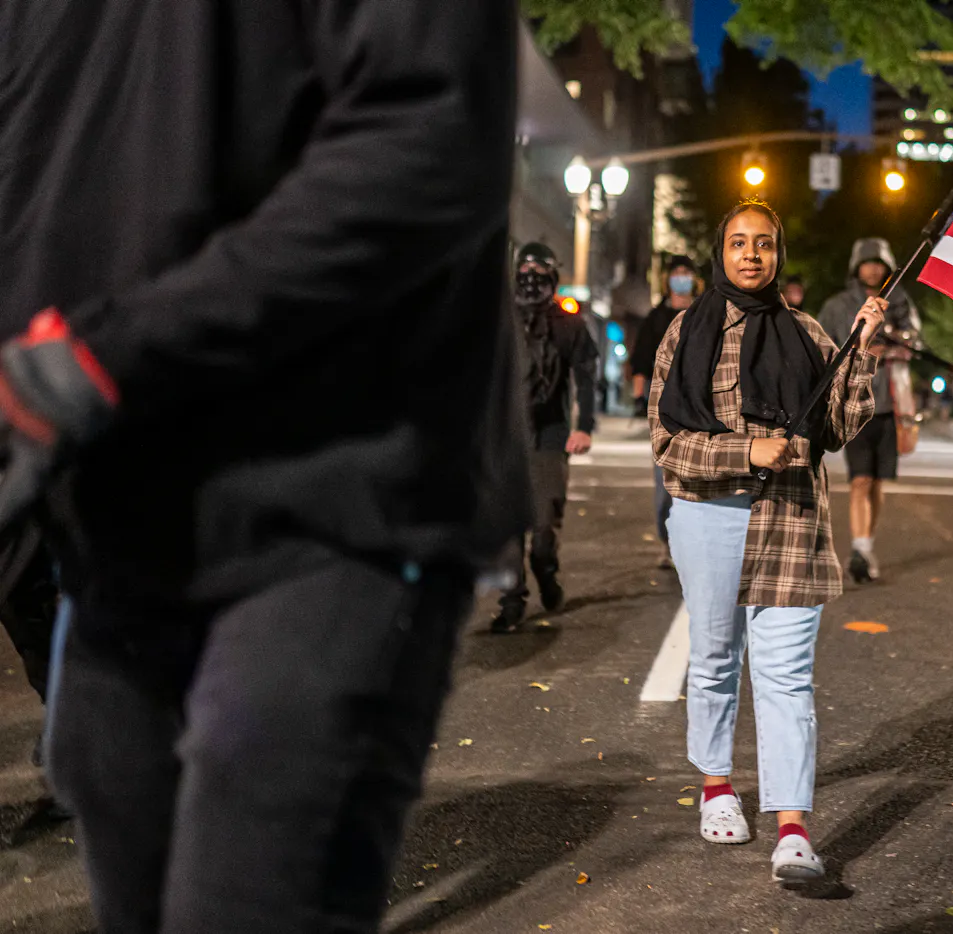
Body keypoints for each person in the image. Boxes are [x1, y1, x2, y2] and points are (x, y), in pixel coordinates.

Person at [0, 3, 528, 931]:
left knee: (247, 880)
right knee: (110, 796)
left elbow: (433, 137)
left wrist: (112, 352)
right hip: (121, 490)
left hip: (335, 492)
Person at [650, 200, 882, 884]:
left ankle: (791, 827)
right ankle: (717, 784)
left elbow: (838, 425)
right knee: (717, 657)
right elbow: (666, 443)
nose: (752, 255)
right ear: (720, 250)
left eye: (765, 245)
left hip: (792, 515)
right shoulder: (683, 333)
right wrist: (746, 448)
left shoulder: (808, 333)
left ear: (779, 255)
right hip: (708, 515)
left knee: (785, 677)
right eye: (739, 243)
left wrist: (860, 352)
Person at [493, 242, 599, 632]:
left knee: (542, 527)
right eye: (524, 272)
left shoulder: (568, 324)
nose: (531, 280)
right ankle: (511, 602)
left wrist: (584, 426)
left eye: (540, 273)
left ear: (553, 278)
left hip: (551, 434)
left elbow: (586, 378)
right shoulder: (501, 320)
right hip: (504, 435)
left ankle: (546, 573)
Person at [818, 238, 920, 583]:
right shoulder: (837, 306)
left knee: (877, 482)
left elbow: (917, 343)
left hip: (891, 403)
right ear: (856, 266)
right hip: (854, 403)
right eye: (867, 262)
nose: (873, 268)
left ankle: (866, 545)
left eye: (879, 262)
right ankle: (859, 549)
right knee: (860, 479)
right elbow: (823, 348)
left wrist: (897, 342)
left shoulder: (902, 303)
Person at [630, 255, 703, 568]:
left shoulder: (706, 314)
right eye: (677, 273)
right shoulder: (657, 318)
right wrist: (638, 397)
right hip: (663, 405)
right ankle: (667, 540)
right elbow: (641, 361)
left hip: (700, 405)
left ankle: (694, 542)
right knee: (664, 479)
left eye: (687, 273)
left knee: (698, 475)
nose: (681, 278)